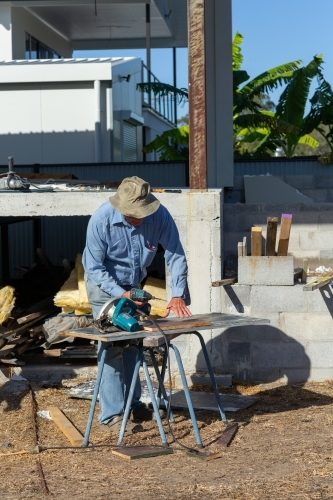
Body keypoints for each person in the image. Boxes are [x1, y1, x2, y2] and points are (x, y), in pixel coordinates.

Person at [82, 176, 191, 432]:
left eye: (144, 214)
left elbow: (175, 254)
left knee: (133, 343)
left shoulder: (161, 215)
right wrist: (121, 294)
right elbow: (94, 268)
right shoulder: (101, 219)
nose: (140, 219)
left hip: (134, 284)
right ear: (122, 208)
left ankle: (132, 404)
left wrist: (177, 293)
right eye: (134, 216)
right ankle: (111, 415)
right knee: (112, 348)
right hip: (104, 287)